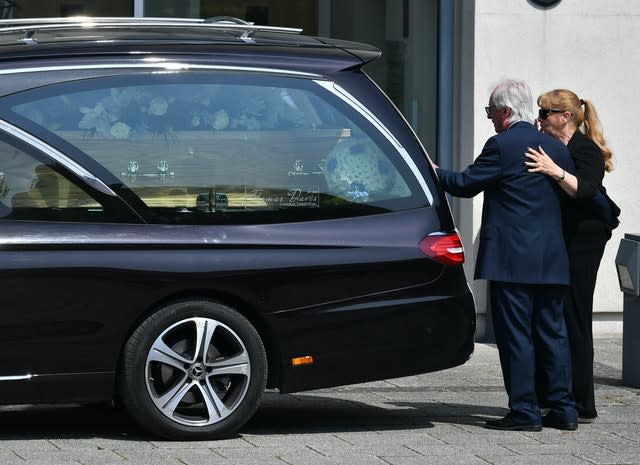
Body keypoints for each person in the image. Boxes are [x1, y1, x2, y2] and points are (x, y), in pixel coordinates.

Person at [435, 79, 577, 431]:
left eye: (490, 112)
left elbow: (465, 185)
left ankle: (525, 411)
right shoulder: (556, 148)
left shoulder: (502, 145)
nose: (489, 119)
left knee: (515, 337)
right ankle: (563, 409)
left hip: (513, 259)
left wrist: (434, 173)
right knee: (553, 334)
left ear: (506, 111)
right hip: (551, 258)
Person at [525, 89, 614, 422]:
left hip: (585, 238)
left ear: (565, 116)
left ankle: (582, 403)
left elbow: (587, 190)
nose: (540, 118)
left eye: (545, 112)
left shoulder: (584, 149)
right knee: (558, 312)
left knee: (575, 313)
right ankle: (557, 395)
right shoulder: (554, 145)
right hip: (565, 235)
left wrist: (554, 170)